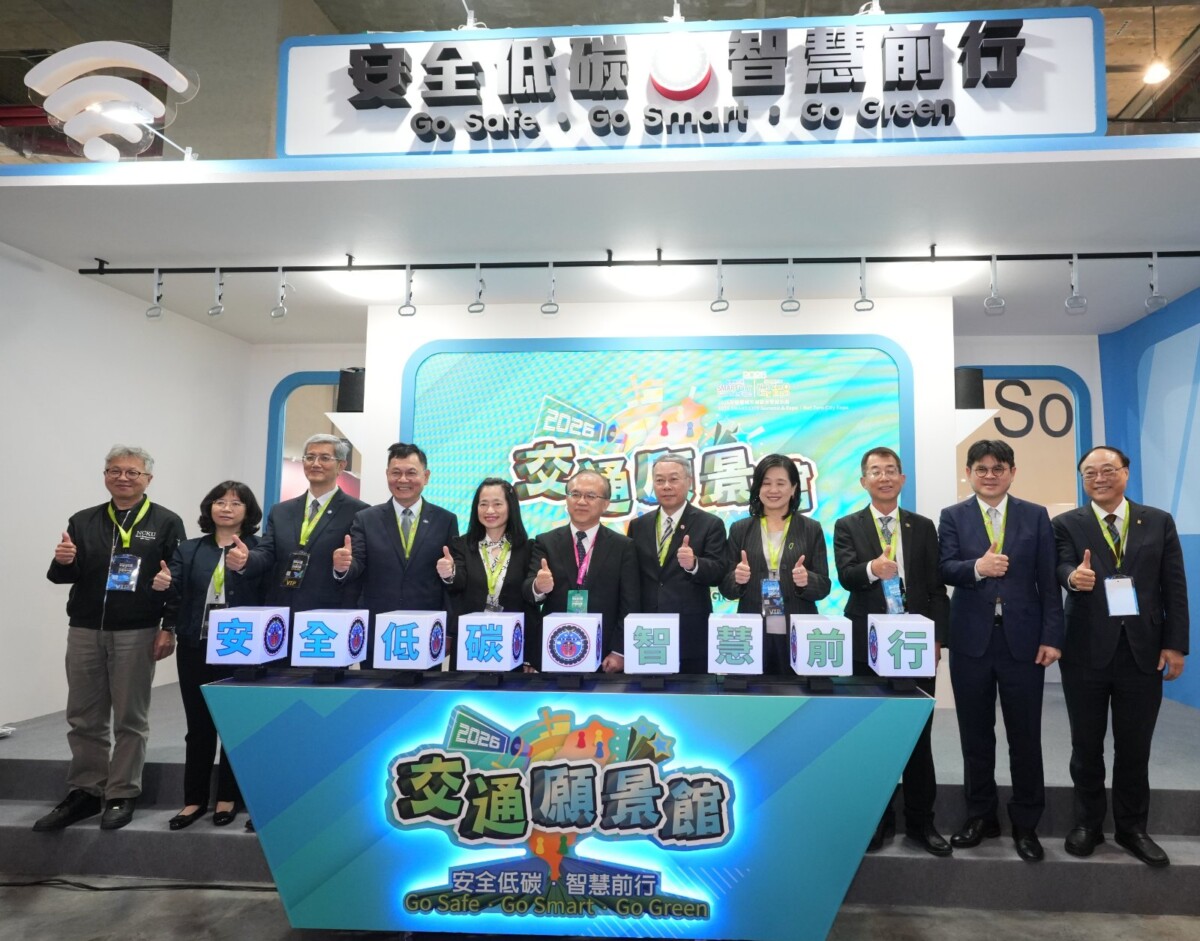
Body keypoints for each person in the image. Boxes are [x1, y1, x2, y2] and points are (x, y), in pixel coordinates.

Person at [1053, 445, 1188, 867]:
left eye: (1108, 469)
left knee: (1134, 747)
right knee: (1085, 745)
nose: (1099, 478)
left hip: (1142, 652)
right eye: (1089, 472)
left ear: (1126, 473)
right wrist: (1073, 577)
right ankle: (1087, 824)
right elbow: (1060, 566)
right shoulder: (1066, 524)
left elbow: (1174, 586)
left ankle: (1132, 828)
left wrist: (1175, 644)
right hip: (1084, 651)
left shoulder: (1158, 521)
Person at [37, 446, 185, 832]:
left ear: (148, 479)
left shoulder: (167, 522)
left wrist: (168, 627)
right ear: (105, 476)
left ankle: (122, 792)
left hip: (137, 630)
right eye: (115, 471)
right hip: (85, 629)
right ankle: (86, 790)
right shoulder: (83, 520)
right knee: (83, 716)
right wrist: (64, 561)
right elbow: (63, 576)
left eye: (132, 472)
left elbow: (177, 581)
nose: (123, 477)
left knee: (130, 717)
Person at [938, 439, 1064, 862]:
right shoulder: (953, 516)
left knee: (1025, 736)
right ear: (968, 473)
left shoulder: (1035, 515)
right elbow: (944, 567)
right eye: (981, 468)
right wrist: (978, 567)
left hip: (1023, 642)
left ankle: (1026, 823)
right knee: (975, 735)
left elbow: (1048, 581)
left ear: (1012, 472)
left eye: (998, 468)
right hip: (971, 641)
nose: (989, 475)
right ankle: (981, 816)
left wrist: (1052, 636)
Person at [833, 447, 950, 856]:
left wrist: (936, 639)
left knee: (918, 734)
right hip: (866, 644)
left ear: (902, 479)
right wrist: (873, 569)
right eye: (875, 471)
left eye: (890, 471)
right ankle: (876, 821)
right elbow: (847, 576)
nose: (883, 477)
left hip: (914, 644)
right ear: (863, 481)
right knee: (871, 736)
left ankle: (921, 823)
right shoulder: (847, 525)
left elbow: (936, 588)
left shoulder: (922, 526)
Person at [158, 481, 264, 830]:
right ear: (209, 508)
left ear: (248, 512)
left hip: (241, 648)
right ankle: (193, 800)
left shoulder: (259, 549)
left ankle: (228, 797)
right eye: (220, 501)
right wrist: (161, 584)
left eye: (235, 503)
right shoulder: (190, 549)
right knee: (198, 725)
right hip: (196, 645)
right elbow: (173, 588)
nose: (226, 508)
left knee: (234, 724)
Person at [226, 434, 366, 622]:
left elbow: (360, 562)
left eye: (325, 458)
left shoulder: (358, 512)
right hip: (282, 610)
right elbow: (266, 553)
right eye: (310, 457)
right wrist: (246, 560)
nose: (315, 464)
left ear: (341, 466)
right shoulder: (281, 511)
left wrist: (344, 567)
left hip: (329, 613)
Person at [333, 443, 458, 650]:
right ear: (387, 475)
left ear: (426, 476)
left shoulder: (445, 520)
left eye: (411, 473)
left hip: (426, 625)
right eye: (396, 473)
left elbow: (451, 577)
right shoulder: (366, 519)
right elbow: (358, 563)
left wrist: (450, 574)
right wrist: (342, 567)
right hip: (378, 625)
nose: (403, 479)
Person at [720, 453, 830, 675]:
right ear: (757, 488)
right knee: (751, 690)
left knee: (797, 690)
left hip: (797, 628)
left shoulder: (811, 529)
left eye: (781, 483)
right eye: (766, 483)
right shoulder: (740, 529)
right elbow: (726, 588)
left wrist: (807, 580)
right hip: (752, 630)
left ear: (793, 488)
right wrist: (736, 579)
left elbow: (824, 586)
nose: (773, 490)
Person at [523, 469, 640, 672]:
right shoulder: (545, 541)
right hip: (555, 647)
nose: (581, 501)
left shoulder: (623, 546)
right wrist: (538, 587)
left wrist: (619, 651)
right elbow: (528, 590)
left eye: (591, 496)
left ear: (606, 504)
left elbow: (630, 602)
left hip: (603, 652)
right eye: (575, 494)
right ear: (566, 499)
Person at [626, 455, 727, 674]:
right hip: (647, 632)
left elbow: (719, 571)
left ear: (689, 482)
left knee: (691, 692)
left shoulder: (710, 524)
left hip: (690, 632)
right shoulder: (638, 526)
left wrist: (694, 564)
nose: (666, 486)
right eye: (659, 480)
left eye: (673, 479)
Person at [438, 478, 540, 668]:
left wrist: (529, 656)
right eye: (483, 504)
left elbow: (529, 602)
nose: (489, 510)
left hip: (513, 644)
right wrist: (448, 573)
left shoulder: (528, 548)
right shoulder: (461, 545)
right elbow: (458, 582)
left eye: (497, 504)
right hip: (471, 642)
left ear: (511, 507)